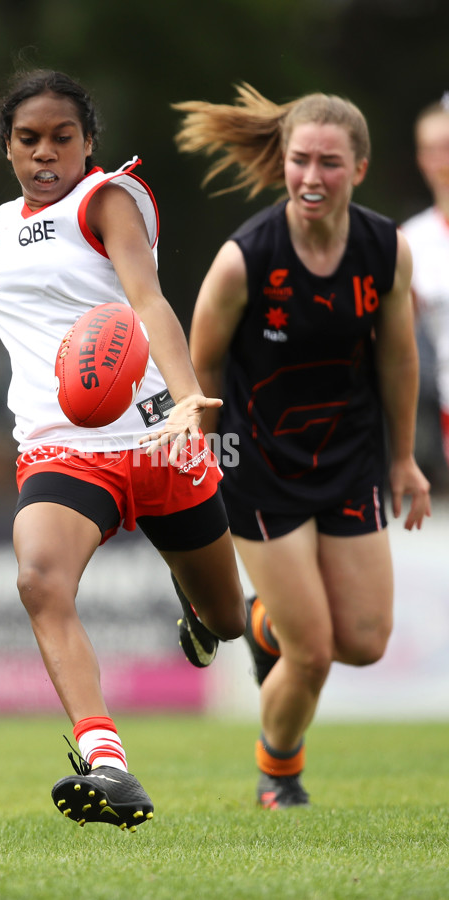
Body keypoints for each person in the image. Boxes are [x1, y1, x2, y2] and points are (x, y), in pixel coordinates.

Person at [0, 68, 247, 830]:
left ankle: (197, 613)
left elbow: (149, 301)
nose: (45, 153)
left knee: (230, 621)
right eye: (28, 139)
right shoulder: (3, 222)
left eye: (61, 137)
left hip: (159, 438)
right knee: (38, 579)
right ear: (7, 148)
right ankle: (108, 763)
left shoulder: (107, 201)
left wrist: (188, 394)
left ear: (87, 141)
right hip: (63, 448)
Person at [163, 83, 431, 809]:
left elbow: (398, 360)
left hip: (348, 462)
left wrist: (403, 458)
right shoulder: (244, 258)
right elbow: (202, 363)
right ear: (283, 162)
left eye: (330, 164)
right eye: (300, 160)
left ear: (362, 169)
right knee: (310, 653)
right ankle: (278, 775)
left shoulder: (385, 250)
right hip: (261, 467)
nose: (312, 177)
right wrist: (203, 453)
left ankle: (259, 622)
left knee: (367, 641)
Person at [401, 94, 449, 473]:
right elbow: (397, 339)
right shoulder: (411, 240)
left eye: (447, 147)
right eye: (431, 149)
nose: (441, 160)